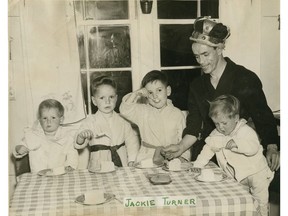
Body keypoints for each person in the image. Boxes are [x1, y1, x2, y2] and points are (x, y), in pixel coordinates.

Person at [161, 16, 280, 172]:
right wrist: (180, 147)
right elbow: (194, 125)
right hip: (209, 155)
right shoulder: (197, 86)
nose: (201, 61)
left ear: (219, 49)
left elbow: (263, 116)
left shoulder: (245, 78)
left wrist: (272, 147)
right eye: (197, 56)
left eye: (205, 54)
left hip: (240, 154)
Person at [193, 94, 273, 216]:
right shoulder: (216, 135)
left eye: (224, 123)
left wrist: (237, 144)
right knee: (243, 202)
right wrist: (198, 164)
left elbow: (253, 147)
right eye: (216, 124)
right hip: (238, 176)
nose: (220, 127)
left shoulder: (244, 130)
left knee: (260, 202)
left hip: (256, 172)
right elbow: (207, 150)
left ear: (236, 118)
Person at [119, 70, 190, 164]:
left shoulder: (177, 114)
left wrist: (183, 159)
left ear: (168, 91)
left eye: (159, 90)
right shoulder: (143, 111)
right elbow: (125, 110)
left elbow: (183, 140)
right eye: (150, 92)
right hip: (147, 158)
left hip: (171, 158)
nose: (155, 96)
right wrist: (136, 93)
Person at [74, 76, 139, 171]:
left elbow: (132, 143)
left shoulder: (123, 121)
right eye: (102, 98)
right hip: (98, 163)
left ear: (116, 98)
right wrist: (81, 137)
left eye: (111, 97)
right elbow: (78, 144)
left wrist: (132, 160)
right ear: (94, 101)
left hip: (122, 162)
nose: (107, 101)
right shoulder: (90, 121)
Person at [13, 99, 78, 173]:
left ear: (61, 119)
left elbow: (72, 155)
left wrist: (70, 166)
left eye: (53, 118)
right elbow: (19, 147)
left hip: (59, 175)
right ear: (40, 120)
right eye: (44, 118)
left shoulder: (67, 137)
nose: (48, 121)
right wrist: (18, 148)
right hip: (37, 176)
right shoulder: (32, 135)